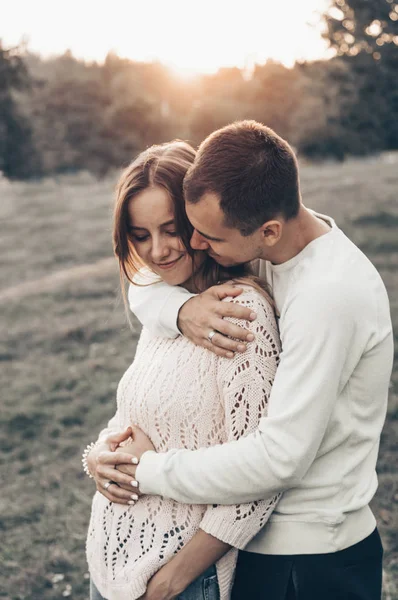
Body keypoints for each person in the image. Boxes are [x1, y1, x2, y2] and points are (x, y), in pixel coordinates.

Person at [120, 121, 394, 600]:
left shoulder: (327, 296)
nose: (198, 245)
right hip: (260, 547)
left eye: (209, 237)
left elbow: (279, 458)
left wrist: (146, 471)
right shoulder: (279, 240)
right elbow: (149, 280)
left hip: (308, 562)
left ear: (267, 231)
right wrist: (181, 310)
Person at [83, 141, 281, 600]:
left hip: (179, 578)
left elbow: (260, 482)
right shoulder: (170, 309)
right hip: (112, 565)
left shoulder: (238, 316)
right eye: (139, 235)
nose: (158, 251)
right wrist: (96, 459)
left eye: (171, 229)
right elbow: (135, 416)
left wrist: (172, 582)